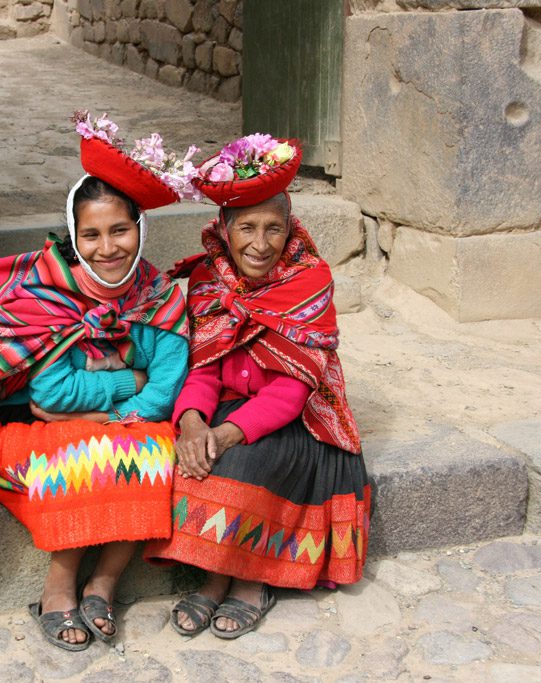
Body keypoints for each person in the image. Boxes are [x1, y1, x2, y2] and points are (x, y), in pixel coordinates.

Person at [0, 115, 192, 651]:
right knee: (84, 459)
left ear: (140, 230)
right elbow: (49, 395)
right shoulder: (52, 294)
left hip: (125, 423)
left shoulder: (160, 297)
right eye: (90, 234)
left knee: (153, 453)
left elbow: (163, 390)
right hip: (28, 424)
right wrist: (124, 379)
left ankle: (103, 584)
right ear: (73, 235)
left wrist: (106, 412)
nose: (107, 247)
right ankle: (58, 586)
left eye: (120, 231)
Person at [144, 134, 371, 640]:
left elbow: (290, 392)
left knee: (244, 463)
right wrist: (193, 422)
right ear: (224, 230)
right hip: (227, 405)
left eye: (274, 228)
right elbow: (201, 367)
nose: (260, 244)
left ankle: (250, 581)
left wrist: (223, 435)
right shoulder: (207, 280)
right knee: (182, 456)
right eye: (246, 227)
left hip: (302, 417)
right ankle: (215, 575)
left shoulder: (308, 279)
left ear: (291, 229)